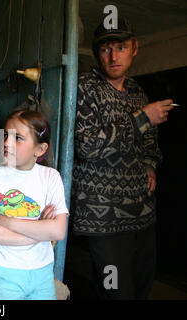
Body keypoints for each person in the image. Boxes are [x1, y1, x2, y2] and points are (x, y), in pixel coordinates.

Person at [71, 19, 173, 299]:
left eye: (121, 47)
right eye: (106, 49)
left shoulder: (137, 91)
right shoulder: (84, 87)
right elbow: (87, 146)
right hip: (102, 218)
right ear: (95, 53)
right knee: (115, 291)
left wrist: (151, 163)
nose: (114, 56)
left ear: (134, 49)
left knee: (141, 288)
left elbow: (150, 141)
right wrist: (142, 118)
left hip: (141, 212)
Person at [0, 110, 68, 300]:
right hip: (2, 271)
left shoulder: (50, 177)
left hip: (42, 271)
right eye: (6, 135)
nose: (7, 142)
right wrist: (39, 232)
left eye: (18, 138)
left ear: (40, 149)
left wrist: (5, 220)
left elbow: (58, 231)